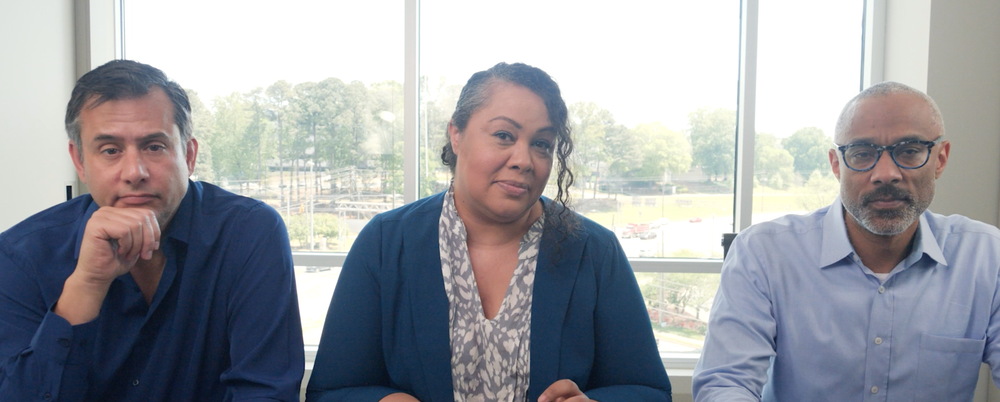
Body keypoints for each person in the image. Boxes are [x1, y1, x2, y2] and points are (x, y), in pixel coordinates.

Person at [305, 62, 672, 402]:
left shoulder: (594, 251)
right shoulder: (385, 244)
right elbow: (332, 390)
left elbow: (650, 391)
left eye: (541, 144)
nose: (524, 160)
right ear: (456, 134)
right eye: (503, 135)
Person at [0, 60, 304, 401]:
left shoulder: (248, 233)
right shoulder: (20, 255)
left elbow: (265, 391)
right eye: (110, 150)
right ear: (80, 161)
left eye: (154, 147)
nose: (135, 172)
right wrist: (87, 284)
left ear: (188, 155)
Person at [692, 81, 1000, 401]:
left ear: (940, 158)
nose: (885, 173)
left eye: (909, 151)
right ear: (836, 165)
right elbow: (726, 384)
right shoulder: (763, 254)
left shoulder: (986, 257)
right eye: (862, 154)